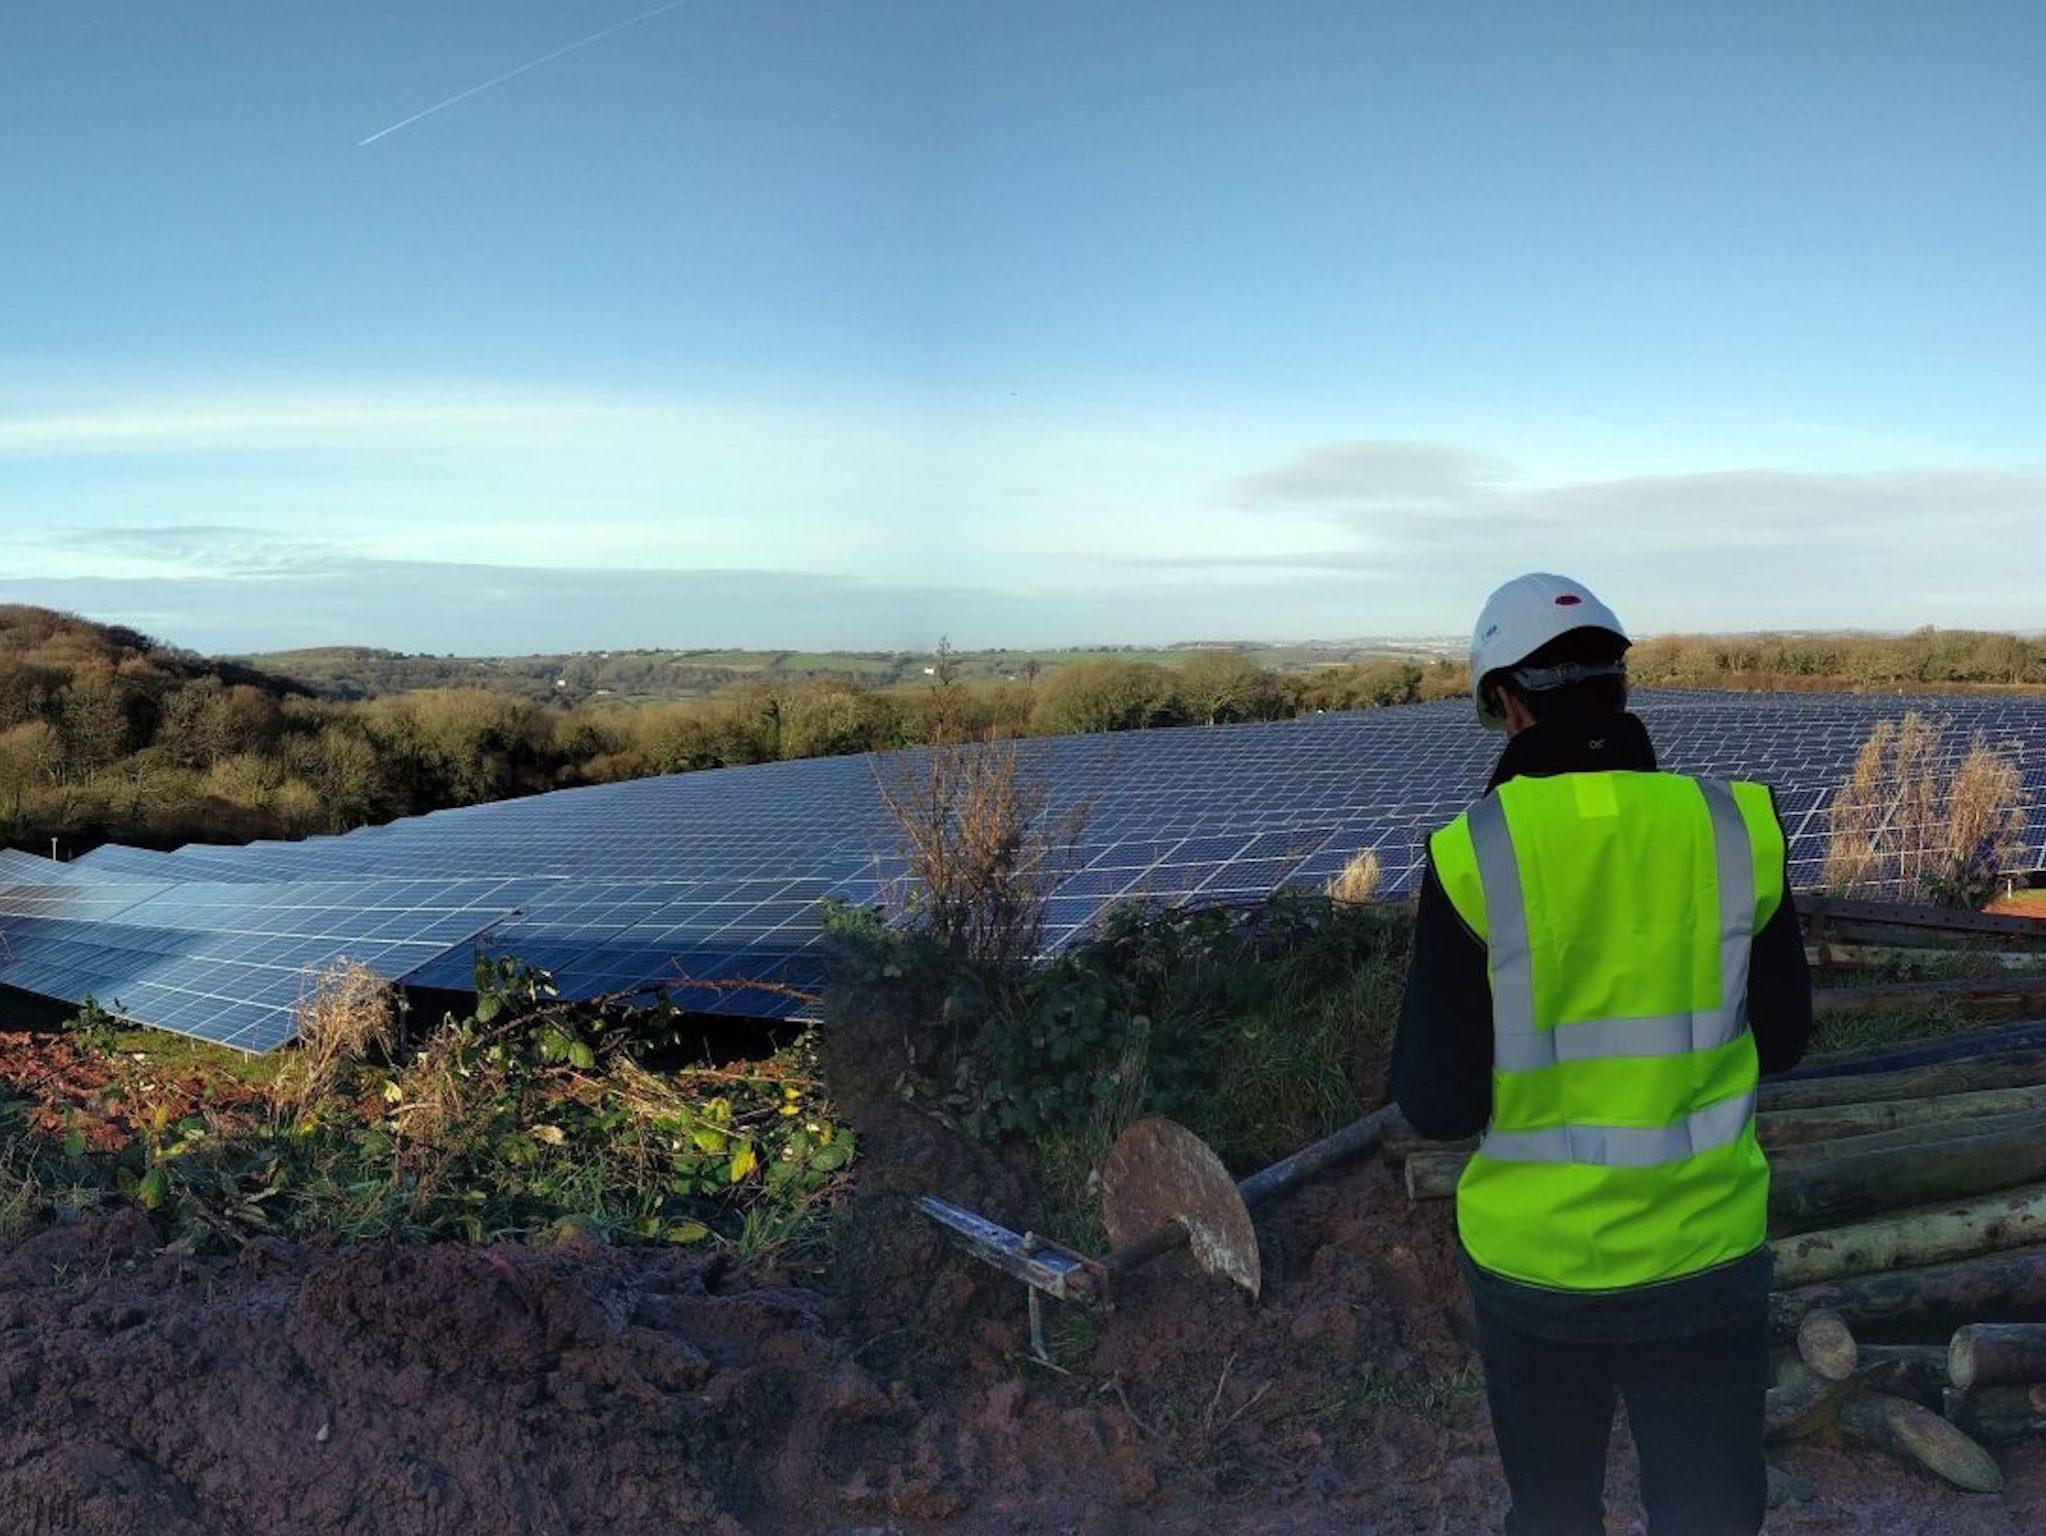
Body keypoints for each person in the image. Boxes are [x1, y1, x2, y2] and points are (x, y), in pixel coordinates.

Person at [1391, 572, 1813, 1536]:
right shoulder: (1735, 826)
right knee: (1710, 1514)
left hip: (1539, 1276)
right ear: (1621, 691)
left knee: (1553, 1513)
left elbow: (1439, 1101)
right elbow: (1783, 1042)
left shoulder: (1473, 854)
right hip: (1706, 1255)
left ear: (1506, 700)